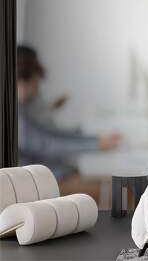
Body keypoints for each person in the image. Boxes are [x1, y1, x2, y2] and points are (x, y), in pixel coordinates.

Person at [17, 48, 121, 200]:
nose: (38, 89)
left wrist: (93, 139)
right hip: (41, 182)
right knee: (118, 191)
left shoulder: (25, 105)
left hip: (56, 170)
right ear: (21, 82)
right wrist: (96, 144)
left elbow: (53, 133)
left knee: (118, 184)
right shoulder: (12, 114)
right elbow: (48, 144)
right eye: (35, 83)